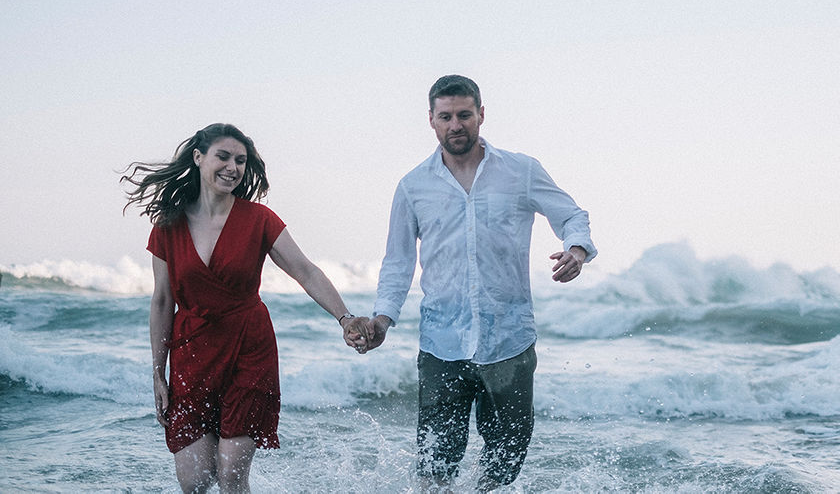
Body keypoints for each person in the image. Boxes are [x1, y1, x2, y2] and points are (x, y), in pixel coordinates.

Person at [347, 75, 596, 491]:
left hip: (509, 340)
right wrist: (383, 321)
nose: (456, 125)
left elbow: (572, 215)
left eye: (464, 114)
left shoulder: (521, 170)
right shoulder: (413, 187)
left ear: (481, 114)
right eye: (446, 117)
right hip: (441, 343)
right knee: (434, 463)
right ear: (431, 120)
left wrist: (577, 251)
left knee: (506, 456)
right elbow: (398, 261)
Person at [123, 123, 367, 494]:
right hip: (192, 352)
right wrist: (158, 372)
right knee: (195, 481)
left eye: (240, 160)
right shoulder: (169, 224)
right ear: (198, 157)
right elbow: (161, 301)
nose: (233, 167)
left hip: (248, 350)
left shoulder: (259, 219)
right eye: (224, 156)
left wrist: (344, 317)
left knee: (232, 477)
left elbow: (305, 270)